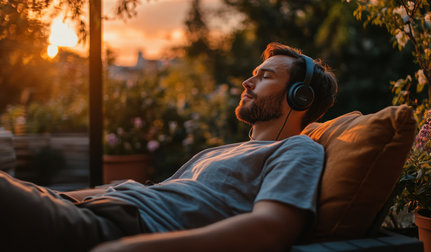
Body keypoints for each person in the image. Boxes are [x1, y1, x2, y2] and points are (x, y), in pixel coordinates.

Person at [0, 42, 337, 252]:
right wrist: (52, 194)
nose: (247, 83)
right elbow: (151, 192)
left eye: (265, 77)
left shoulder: (297, 150)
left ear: (300, 97)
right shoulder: (221, 152)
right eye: (254, 74)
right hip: (92, 210)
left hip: (119, 230)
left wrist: (133, 248)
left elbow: (271, 230)